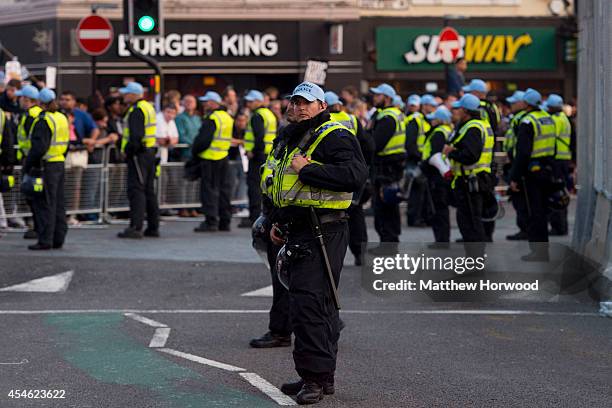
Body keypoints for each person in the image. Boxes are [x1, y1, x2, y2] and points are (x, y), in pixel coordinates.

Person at [264, 82, 366, 404]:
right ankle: (319, 376)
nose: (299, 108)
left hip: (325, 231)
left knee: (311, 306)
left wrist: (310, 169)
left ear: (322, 106)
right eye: (295, 102)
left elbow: (355, 175)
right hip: (299, 228)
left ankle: (315, 380)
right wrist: (278, 221)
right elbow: (285, 188)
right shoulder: (290, 137)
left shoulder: (334, 135)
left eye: (307, 103)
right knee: (308, 305)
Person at [325, 91, 374, 265]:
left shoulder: (323, 121)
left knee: (330, 216)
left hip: (330, 174)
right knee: (356, 214)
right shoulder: (352, 119)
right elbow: (368, 145)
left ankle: (330, 258)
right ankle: (360, 254)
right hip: (352, 174)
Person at [509, 89, 557, 260]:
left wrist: (514, 177)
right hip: (547, 169)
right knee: (542, 211)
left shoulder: (527, 121)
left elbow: (522, 153)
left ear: (526, 104)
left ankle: (539, 252)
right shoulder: (548, 118)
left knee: (534, 212)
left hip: (532, 173)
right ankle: (543, 250)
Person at [443, 94, 494, 246]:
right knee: (471, 222)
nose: (455, 112)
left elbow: (470, 156)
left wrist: (451, 152)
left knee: (471, 224)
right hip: (475, 179)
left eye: (458, 109)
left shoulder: (472, 128)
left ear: (465, 111)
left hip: (470, 181)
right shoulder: (481, 124)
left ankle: (474, 264)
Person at [23, 88, 69, 250]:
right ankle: (58, 237)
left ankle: (45, 239)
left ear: (40, 103)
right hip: (59, 163)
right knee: (58, 203)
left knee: (45, 203)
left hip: (46, 165)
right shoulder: (61, 118)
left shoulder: (44, 120)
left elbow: (38, 148)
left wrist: (28, 165)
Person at [117, 82, 159, 239]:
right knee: (148, 190)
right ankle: (153, 227)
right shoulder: (148, 107)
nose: (124, 96)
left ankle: (136, 227)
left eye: (127, 93)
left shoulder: (136, 110)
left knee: (136, 191)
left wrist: (127, 152)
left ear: (134, 95)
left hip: (138, 155)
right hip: (148, 153)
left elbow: (135, 136)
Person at [369, 83, 406, 244]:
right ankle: (389, 241)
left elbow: (375, 144)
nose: (374, 97)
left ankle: (388, 243)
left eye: (378, 95)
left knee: (385, 208)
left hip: (386, 168)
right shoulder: (389, 114)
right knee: (389, 206)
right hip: (390, 167)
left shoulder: (387, 117)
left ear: (387, 98)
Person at [192, 91, 233, 232]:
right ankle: (225, 221)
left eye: (206, 101)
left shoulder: (213, 118)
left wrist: (194, 151)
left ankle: (211, 222)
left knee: (209, 191)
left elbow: (203, 140)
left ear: (214, 103)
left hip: (210, 158)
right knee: (224, 190)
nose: (204, 104)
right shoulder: (227, 117)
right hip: (223, 157)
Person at [240, 89, 278, 228]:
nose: (248, 104)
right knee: (266, 187)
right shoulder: (270, 114)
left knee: (254, 187)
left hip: (258, 156)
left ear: (258, 101)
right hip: (269, 156)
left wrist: (254, 152)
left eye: (250, 101)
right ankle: (266, 216)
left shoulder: (257, 115)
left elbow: (259, 137)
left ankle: (254, 217)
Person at [421, 106, 453, 243]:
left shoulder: (439, 132)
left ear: (440, 120)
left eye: (434, 119)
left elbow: (435, 154)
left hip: (436, 175)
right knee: (442, 207)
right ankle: (442, 238)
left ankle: (441, 239)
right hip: (442, 174)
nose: (431, 121)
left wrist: (426, 164)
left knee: (439, 208)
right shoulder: (448, 131)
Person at [15, 85, 42, 238]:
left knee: (33, 194)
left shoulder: (30, 116)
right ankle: (38, 226)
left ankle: (38, 227)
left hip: (32, 161)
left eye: (22, 98)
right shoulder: (38, 114)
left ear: (27, 99)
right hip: (36, 161)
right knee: (36, 194)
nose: (20, 100)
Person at [503, 91, 529, 241]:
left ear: (522, 103)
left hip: (518, 162)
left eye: (514, 102)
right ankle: (525, 228)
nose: (511, 105)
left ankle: (524, 228)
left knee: (520, 198)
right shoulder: (519, 118)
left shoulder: (521, 119)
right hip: (517, 161)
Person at [545, 94, 572, 236]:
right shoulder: (564, 119)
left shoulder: (555, 120)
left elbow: (549, 137)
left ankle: (558, 227)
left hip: (555, 161)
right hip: (563, 160)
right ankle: (562, 226)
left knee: (555, 195)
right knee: (561, 193)